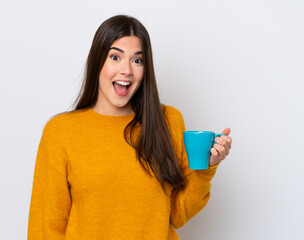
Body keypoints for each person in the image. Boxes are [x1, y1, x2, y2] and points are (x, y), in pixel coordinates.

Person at [28, 15, 232, 240]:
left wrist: (206, 167)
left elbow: (176, 215)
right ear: (96, 61)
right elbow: (45, 229)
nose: (126, 70)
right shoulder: (60, 132)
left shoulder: (168, 121)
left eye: (137, 60)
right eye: (115, 57)